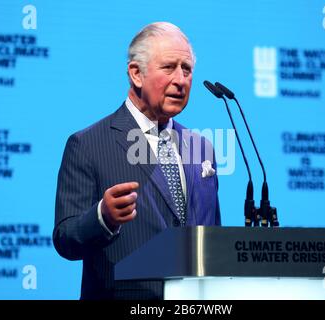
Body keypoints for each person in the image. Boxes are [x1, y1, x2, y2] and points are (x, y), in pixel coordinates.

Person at [53, 22, 221, 300]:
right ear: (136, 74)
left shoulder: (202, 148)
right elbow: (65, 240)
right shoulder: (87, 144)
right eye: (169, 67)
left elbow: (213, 239)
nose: (181, 80)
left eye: (187, 69)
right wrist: (102, 218)